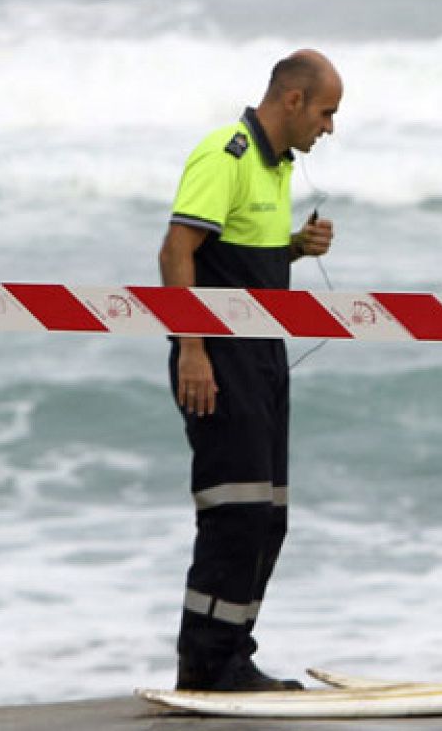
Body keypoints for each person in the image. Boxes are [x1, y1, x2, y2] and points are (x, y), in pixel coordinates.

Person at [157, 49, 341, 691]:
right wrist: (193, 349)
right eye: (326, 112)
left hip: (263, 351)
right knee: (233, 511)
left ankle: (230, 654)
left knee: (269, 514)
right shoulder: (225, 154)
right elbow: (177, 251)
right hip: (218, 356)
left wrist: (293, 248)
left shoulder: (279, 165)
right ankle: (206, 664)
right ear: (292, 101)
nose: (329, 126)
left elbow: (238, 269)